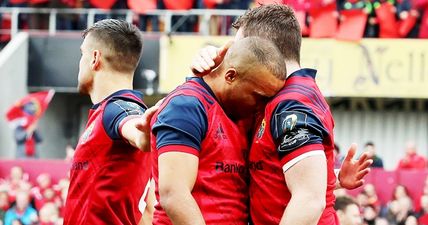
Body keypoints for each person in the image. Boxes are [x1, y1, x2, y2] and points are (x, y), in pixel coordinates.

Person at [191, 4, 372, 225]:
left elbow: (309, 200)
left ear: (262, 49)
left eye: (240, 48)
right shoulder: (280, 97)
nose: (233, 56)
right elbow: (287, 177)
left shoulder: (291, 106)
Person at [151, 37, 286, 225]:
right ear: (230, 76)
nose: (262, 107)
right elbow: (174, 195)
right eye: (258, 96)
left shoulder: (242, 115)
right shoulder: (186, 105)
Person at [63, 19, 157, 225]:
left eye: (82, 54)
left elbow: (134, 127)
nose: (79, 62)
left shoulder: (118, 109)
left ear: (94, 58)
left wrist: (142, 136)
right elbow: (148, 210)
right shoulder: (106, 113)